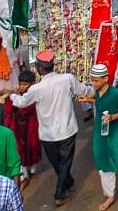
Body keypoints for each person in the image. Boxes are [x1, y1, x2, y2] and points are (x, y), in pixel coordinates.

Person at [10, 51, 88, 206]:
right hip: (67, 130)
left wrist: (11, 95)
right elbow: (83, 91)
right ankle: (66, 184)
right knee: (64, 163)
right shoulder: (67, 79)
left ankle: (60, 192)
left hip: (47, 134)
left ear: (39, 68)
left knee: (57, 163)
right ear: (53, 65)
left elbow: (21, 103)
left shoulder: (36, 89)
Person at [84, 64, 118, 211]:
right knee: (102, 160)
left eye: (96, 80)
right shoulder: (97, 93)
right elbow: (99, 102)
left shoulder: (116, 93)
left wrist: (112, 117)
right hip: (101, 132)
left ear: (105, 78)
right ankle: (109, 195)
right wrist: (87, 99)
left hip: (116, 131)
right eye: (92, 80)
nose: (94, 83)